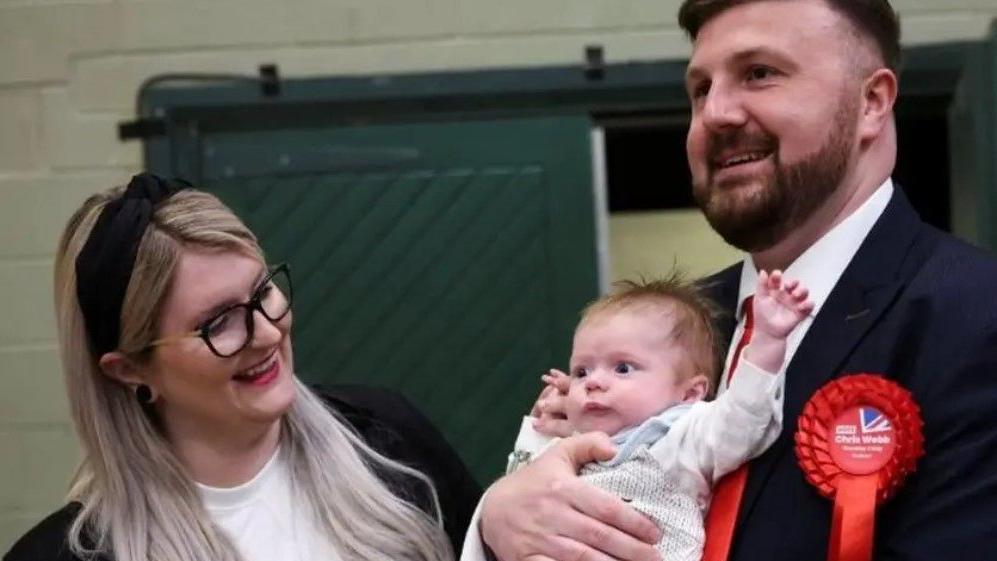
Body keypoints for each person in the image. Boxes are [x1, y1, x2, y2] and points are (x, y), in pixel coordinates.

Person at [471, 1, 997, 560]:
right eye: (700, 89)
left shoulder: (974, 315)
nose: (715, 114)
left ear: (871, 102)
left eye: (759, 74)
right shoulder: (676, 326)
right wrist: (498, 521)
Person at [3, 173, 481, 561]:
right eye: (219, 322)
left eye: (262, 292)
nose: (269, 333)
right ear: (129, 369)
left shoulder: (388, 442)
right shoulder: (63, 556)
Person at [462, 271, 811, 561]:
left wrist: (766, 346)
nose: (594, 382)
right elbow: (523, 490)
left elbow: (742, 422)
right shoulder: (566, 445)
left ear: (690, 394)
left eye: (623, 368)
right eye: (581, 372)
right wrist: (539, 430)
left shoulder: (680, 435)